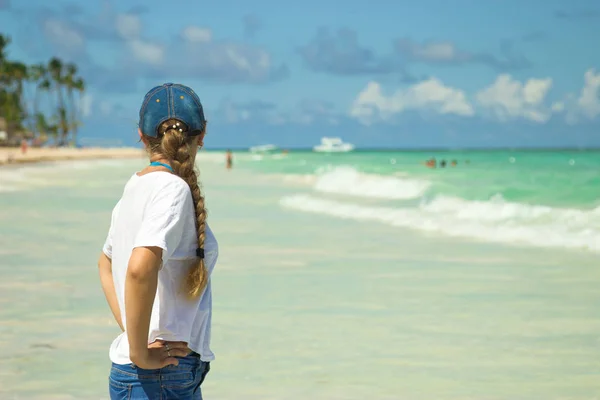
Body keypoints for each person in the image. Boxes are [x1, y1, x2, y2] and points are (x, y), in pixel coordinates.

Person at [97, 83, 218, 399]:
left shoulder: (136, 187)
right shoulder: (172, 190)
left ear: (141, 134)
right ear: (202, 135)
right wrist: (140, 350)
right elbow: (139, 268)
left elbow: (105, 263)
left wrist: (134, 333)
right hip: (160, 375)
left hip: (151, 374)